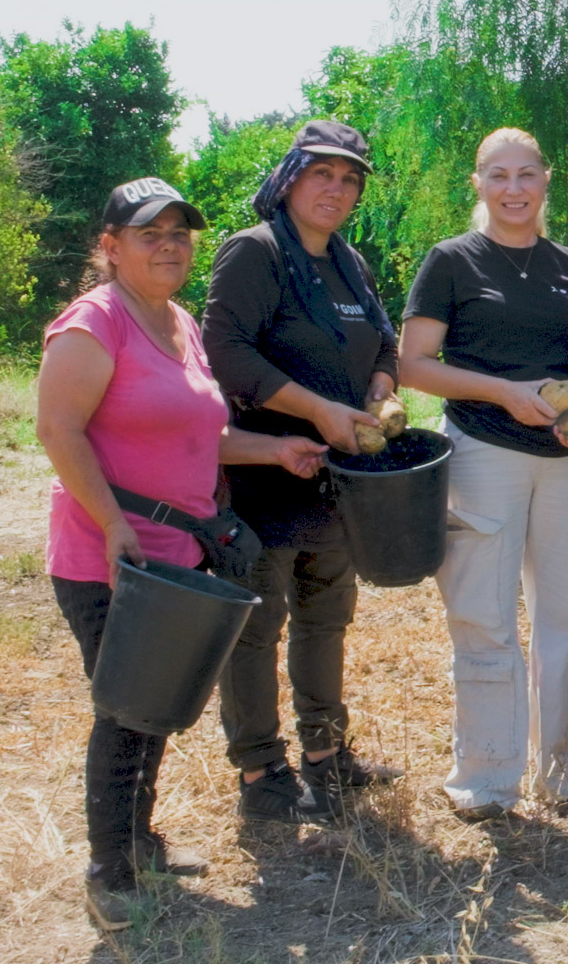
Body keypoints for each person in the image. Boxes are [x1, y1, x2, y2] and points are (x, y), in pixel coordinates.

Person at [39, 178, 327, 929]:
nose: (169, 245)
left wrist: (278, 448)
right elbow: (58, 431)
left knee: (156, 707)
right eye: (148, 234)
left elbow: (205, 434)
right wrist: (111, 526)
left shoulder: (177, 323)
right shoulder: (94, 324)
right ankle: (110, 870)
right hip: (112, 557)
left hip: (177, 552)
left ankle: (142, 843)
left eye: (179, 233)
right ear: (110, 247)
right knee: (126, 710)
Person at [397, 128, 568, 821]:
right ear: (478, 184)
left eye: (526, 175)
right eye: (498, 176)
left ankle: (567, 765)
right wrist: (502, 393)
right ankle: (486, 775)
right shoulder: (452, 261)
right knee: (483, 614)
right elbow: (415, 363)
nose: (513, 190)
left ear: (547, 179)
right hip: (483, 450)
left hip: (564, 463)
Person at [201, 121, 404, 825]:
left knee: (326, 621)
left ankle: (327, 755)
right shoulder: (255, 255)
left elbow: (385, 339)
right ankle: (261, 771)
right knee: (257, 626)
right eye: (323, 173)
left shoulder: (349, 262)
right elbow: (224, 352)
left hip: (336, 480)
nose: (337, 189)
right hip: (263, 475)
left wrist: (380, 388)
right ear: (290, 177)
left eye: (350, 179)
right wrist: (316, 409)